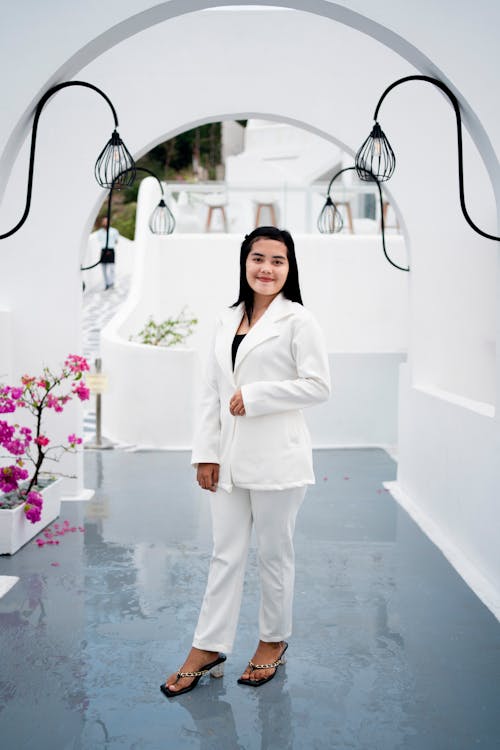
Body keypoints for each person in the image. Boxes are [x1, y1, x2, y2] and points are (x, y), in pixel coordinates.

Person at [161, 226, 331, 698]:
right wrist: (205, 453)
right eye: (258, 258)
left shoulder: (300, 321)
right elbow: (208, 392)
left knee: (275, 555)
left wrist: (257, 395)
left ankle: (272, 641)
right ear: (244, 262)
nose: (267, 269)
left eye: (278, 260)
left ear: (289, 268)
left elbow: (319, 385)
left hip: (279, 460)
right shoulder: (224, 319)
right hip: (228, 462)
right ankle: (209, 646)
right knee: (225, 554)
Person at [96, 216, 119, 290]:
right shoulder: (100, 232)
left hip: (111, 250)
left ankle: (111, 283)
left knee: (112, 268)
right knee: (104, 269)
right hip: (103, 250)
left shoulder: (114, 231)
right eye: (104, 221)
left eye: (107, 221)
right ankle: (106, 284)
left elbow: (116, 241)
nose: (105, 223)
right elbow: (99, 240)